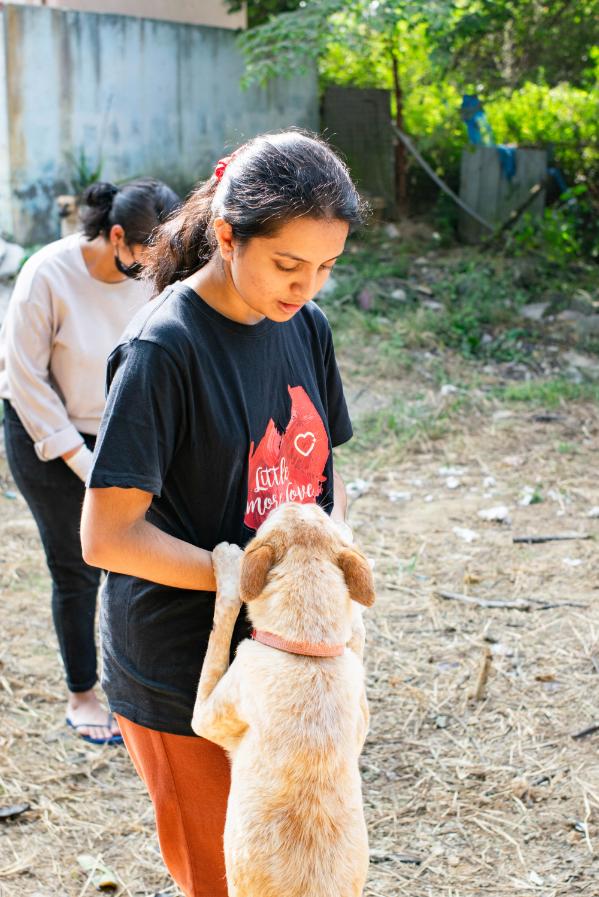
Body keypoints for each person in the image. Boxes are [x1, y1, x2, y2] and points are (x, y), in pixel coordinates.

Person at [80, 131, 364, 897]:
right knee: (223, 881)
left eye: (326, 267)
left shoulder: (305, 327)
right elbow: (106, 536)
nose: (305, 286)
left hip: (285, 658)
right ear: (229, 235)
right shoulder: (163, 349)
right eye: (287, 264)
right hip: (182, 673)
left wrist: (321, 578)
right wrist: (240, 574)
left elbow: (322, 482)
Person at [0, 178, 180, 745]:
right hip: (47, 436)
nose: (159, 268)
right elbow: (24, 381)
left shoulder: (158, 277)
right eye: (149, 255)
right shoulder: (47, 274)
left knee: (143, 560)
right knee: (76, 568)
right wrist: (84, 463)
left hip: (124, 434)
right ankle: (83, 693)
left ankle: (141, 691)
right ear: (117, 236)